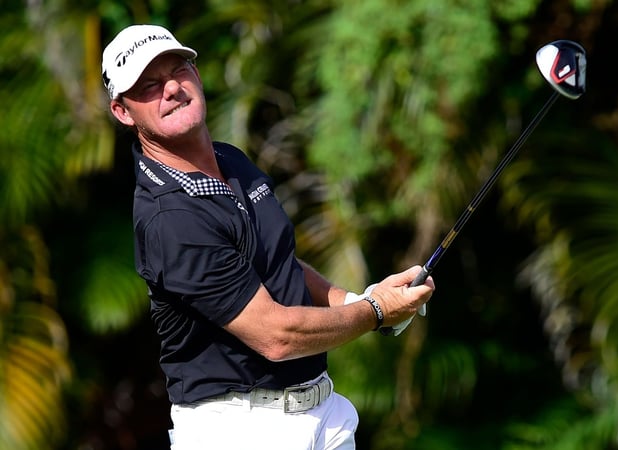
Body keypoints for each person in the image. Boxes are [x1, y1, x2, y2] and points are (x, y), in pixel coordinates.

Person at [101, 24, 434, 450]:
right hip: (243, 428)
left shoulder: (230, 159)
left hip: (323, 414)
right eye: (148, 85)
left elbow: (277, 262)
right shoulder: (170, 220)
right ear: (123, 112)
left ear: (197, 77)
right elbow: (277, 337)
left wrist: (353, 300)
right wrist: (374, 312)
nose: (170, 88)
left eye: (177, 70)